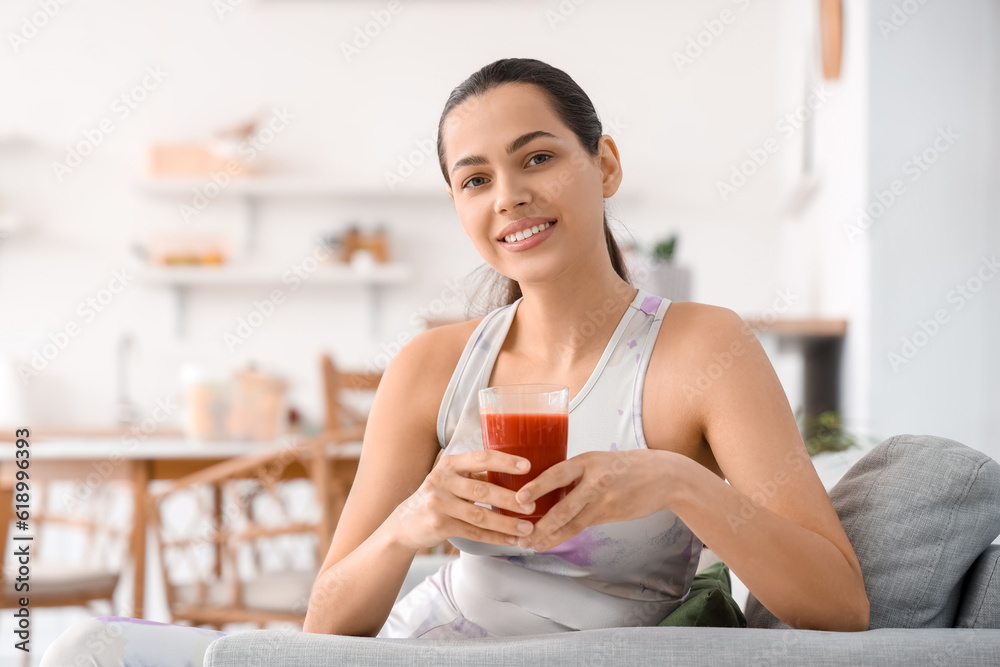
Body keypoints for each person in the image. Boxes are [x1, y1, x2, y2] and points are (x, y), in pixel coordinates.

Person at [42, 57, 869, 665]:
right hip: (420, 647)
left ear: (603, 164)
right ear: (460, 207)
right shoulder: (432, 366)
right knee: (89, 645)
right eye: (475, 179)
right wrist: (416, 521)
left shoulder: (704, 348)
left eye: (538, 157)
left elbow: (838, 604)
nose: (508, 194)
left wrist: (678, 480)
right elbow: (328, 618)